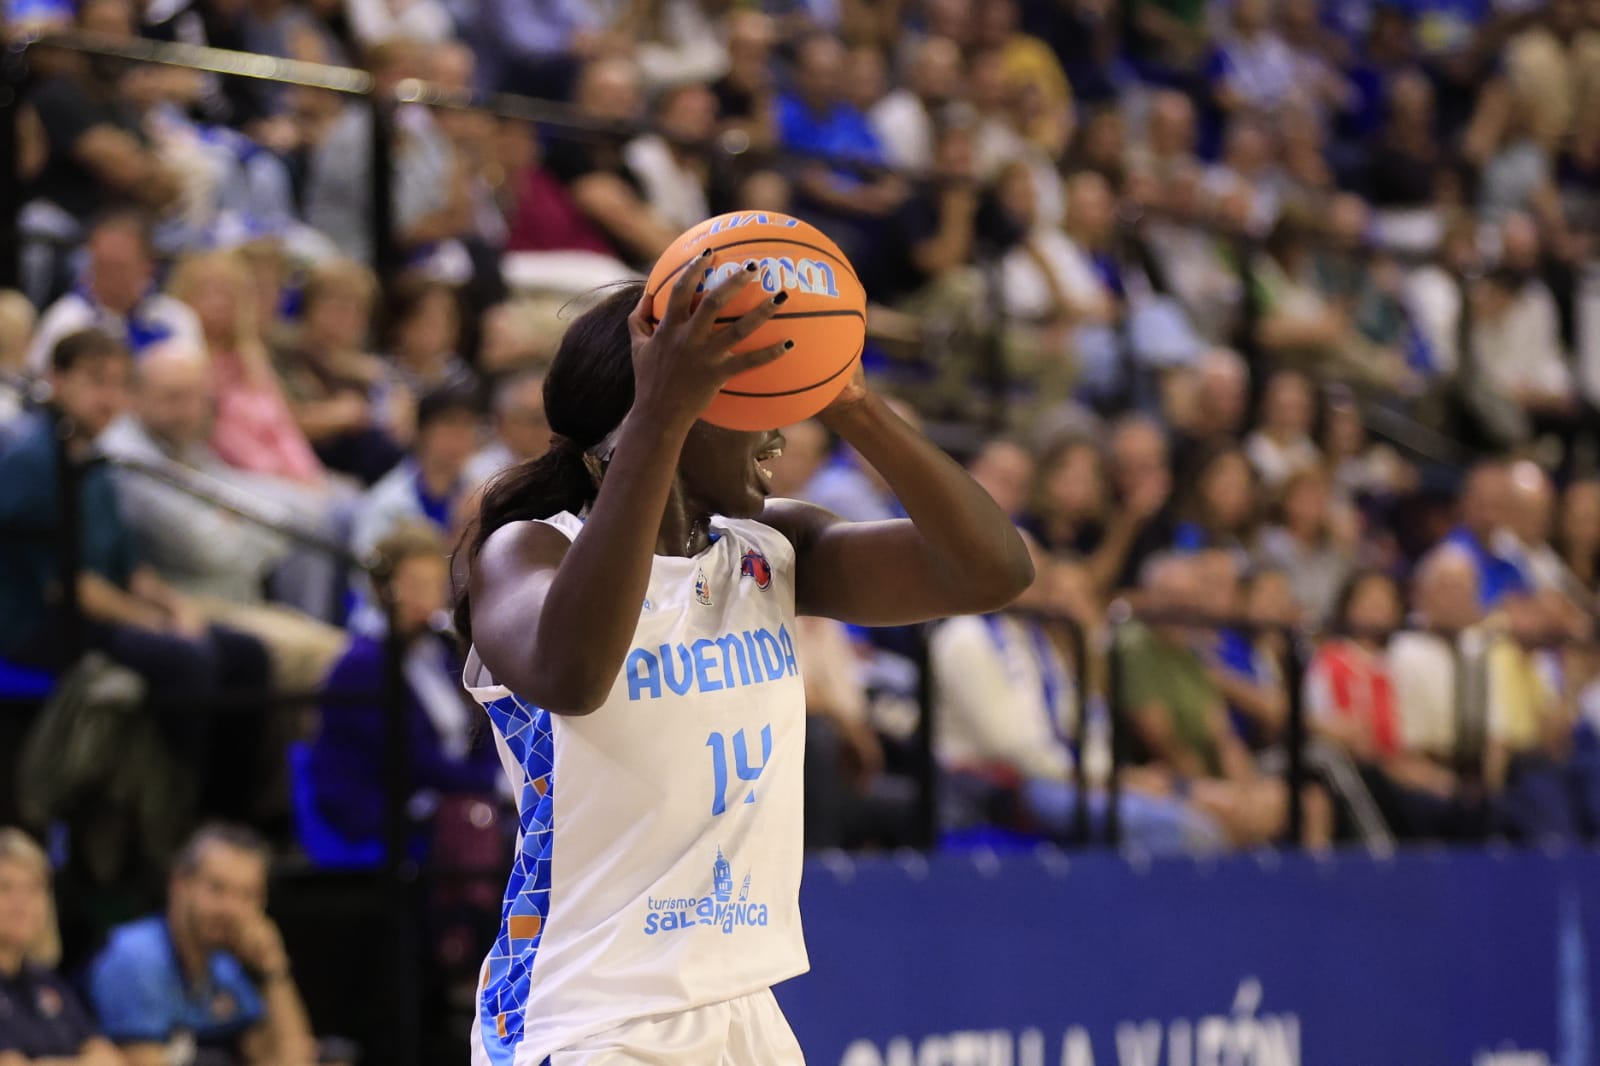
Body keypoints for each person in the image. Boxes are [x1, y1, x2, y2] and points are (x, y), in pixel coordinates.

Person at [454, 265, 1032, 1063]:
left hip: (741, 1009)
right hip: (587, 1015)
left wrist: (852, 402)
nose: (780, 431)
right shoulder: (528, 550)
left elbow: (993, 571)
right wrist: (659, 412)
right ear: (665, 407)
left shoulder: (770, 550)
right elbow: (573, 676)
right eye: (754, 402)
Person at [308, 524, 501, 856]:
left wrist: (496, 774)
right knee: (478, 826)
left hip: (443, 796)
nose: (426, 600)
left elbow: (479, 721)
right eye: (415, 586)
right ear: (383, 589)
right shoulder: (362, 665)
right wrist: (490, 783)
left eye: (434, 586)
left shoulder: (439, 648)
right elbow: (412, 759)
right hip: (380, 807)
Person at [86, 825, 318, 1066]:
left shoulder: (224, 967)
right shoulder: (135, 956)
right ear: (179, 883)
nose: (232, 910)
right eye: (218, 889)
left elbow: (290, 1058)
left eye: (248, 895)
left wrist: (273, 968)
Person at [0, 829, 121, 1066]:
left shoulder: (44, 981)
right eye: (5, 887)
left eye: (34, 889)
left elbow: (110, 1059)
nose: (21, 902)